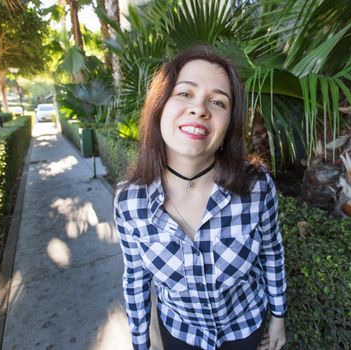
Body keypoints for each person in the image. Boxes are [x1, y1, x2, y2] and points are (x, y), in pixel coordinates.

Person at [113, 45, 287, 350]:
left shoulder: (256, 187)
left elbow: (272, 253)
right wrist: (140, 343)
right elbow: (136, 280)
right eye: (184, 93)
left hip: (245, 329)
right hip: (181, 334)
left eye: (218, 101)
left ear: (229, 124)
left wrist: (278, 317)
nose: (200, 108)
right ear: (159, 106)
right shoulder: (130, 202)